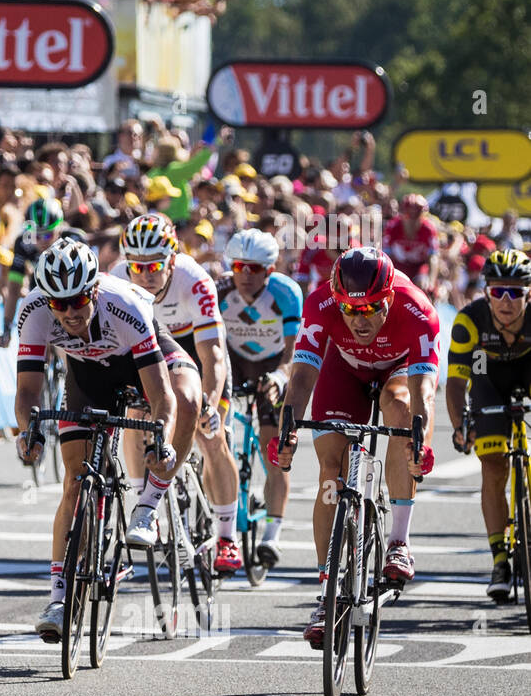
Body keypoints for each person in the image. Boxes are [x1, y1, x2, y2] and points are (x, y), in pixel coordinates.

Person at [14, 237, 199, 639]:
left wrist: (160, 440)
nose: (69, 311)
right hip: (87, 374)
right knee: (75, 481)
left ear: (94, 290)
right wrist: (28, 433)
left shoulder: (125, 305)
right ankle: (59, 597)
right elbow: (27, 392)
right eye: (59, 304)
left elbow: (162, 394)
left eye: (78, 300)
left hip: (141, 359)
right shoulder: (33, 310)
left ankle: (148, 503)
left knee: (187, 398)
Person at [271, 247, 439, 649]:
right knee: (331, 471)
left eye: (371, 309)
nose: (359, 320)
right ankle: (327, 594)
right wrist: (287, 432)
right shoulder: (320, 304)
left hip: (399, 372)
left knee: (401, 417)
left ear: (390, 298)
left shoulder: (418, 310)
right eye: (349, 310)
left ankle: (398, 541)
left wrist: (420, 443)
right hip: (343, 369)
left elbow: (424, 394)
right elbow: (302, 377)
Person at [111, 213, 243, 574]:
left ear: (171, 259)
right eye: (137, 266)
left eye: (154, 265)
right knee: (136, 416)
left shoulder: (194, 280)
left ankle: (227, 536)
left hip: (194, 349)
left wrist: (212, 404)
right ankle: (145, 505)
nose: (146, 274)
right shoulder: (117, 280)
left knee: (212, 435)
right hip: (149, 351)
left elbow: (213, 353)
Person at [445, 250, 531, 601]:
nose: (506, 301)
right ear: (486, 293)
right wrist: (460, 424)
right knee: (494, 468)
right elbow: (454, 382)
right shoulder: (470, 320)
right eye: (498, 292)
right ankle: (500, 560)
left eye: (515, 293)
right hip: (487, 379)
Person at [216, 228, 303, 563]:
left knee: (273, 449)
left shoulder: (285, 292)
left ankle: (272, 533)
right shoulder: (220, 288)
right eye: (239, 267)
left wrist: (281, 377)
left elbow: (293, 351)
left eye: (255, 269)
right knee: (215, 432)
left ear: (270, 269)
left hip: (272, 364)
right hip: (233, 361)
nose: (246, 275)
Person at [0, 196, 63, 345]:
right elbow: (14, 288)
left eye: (48, 234)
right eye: (37, 235)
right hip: (40, 289)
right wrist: (7, 327)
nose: (42, 240)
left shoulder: (72, 239)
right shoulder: (23, 243)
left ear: (59, 229)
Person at [383, 193, 439, 293]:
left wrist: (431, 281)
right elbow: (386, 255)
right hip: (397, 264)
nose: (413, 221)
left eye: (417, 216)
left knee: (424, 285)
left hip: (418, 266)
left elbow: (433, 257)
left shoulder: (428, 229)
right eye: (409, 215)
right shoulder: (393, 226)